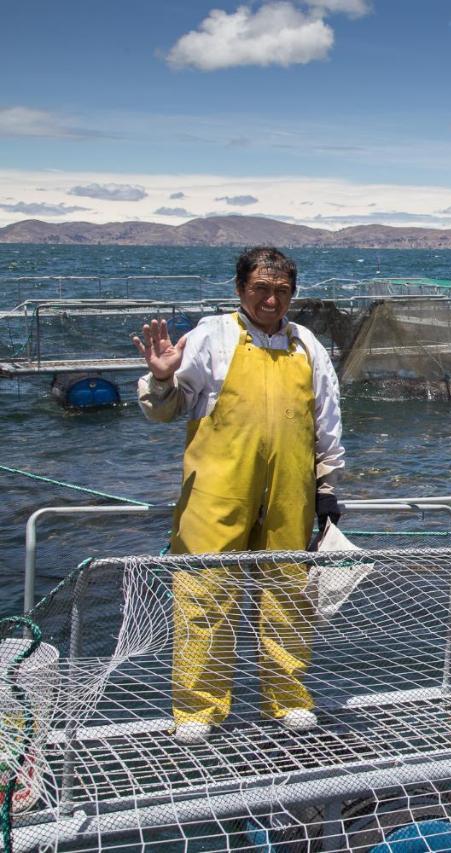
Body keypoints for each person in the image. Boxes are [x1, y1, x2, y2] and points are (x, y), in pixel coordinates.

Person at [133, 246, 345, 744]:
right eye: (260, 289)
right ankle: (197, 708)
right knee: (204, 595)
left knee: (289, 594)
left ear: (292, 293)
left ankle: (288, 698)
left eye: (282, 291)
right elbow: (165, 410)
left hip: (291, 492)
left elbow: (328, 425)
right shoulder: (212, 335)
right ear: (240, 289)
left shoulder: (307, 345)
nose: (271, 300)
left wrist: (328, 489)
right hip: (216, 491)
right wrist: (162, 376)